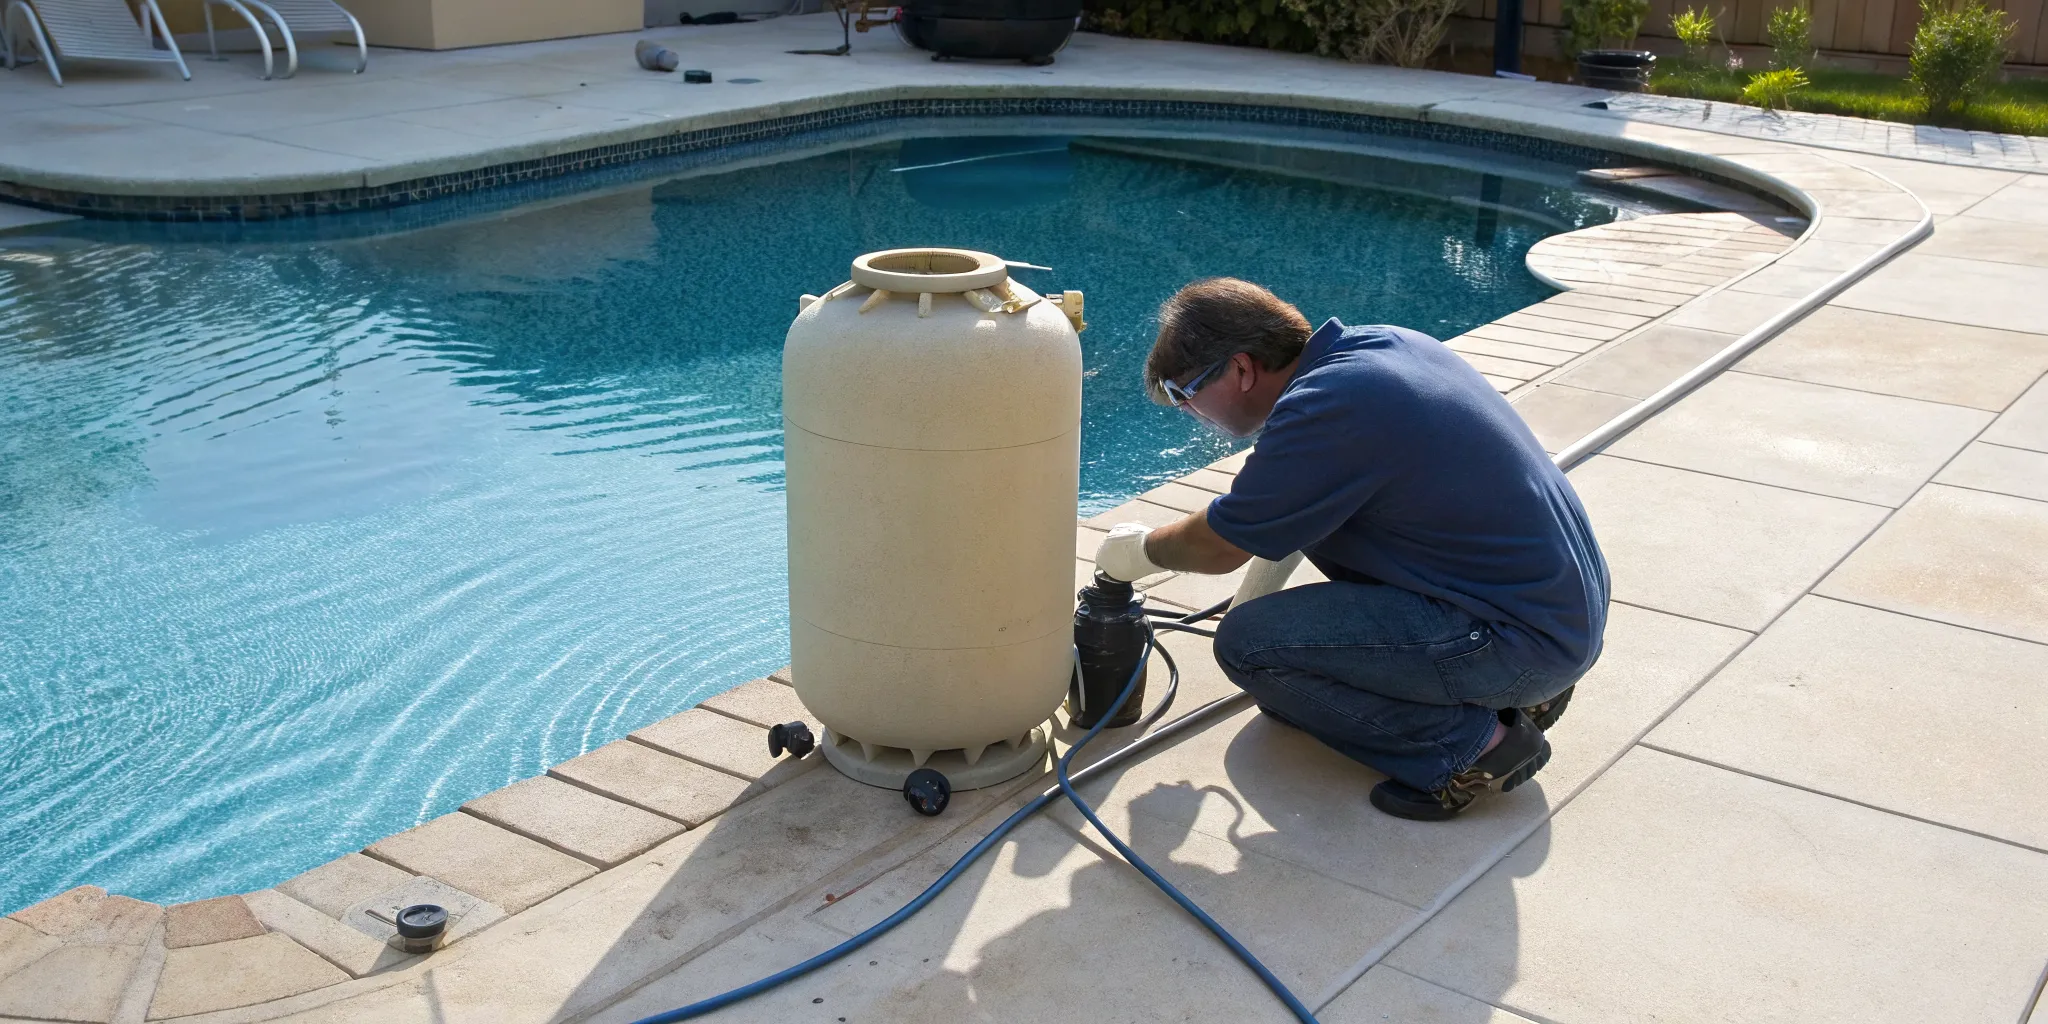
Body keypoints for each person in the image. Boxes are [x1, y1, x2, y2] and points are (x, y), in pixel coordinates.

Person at [1093, 278, 1609, 821]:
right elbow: (1280, 512)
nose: (1187, 411)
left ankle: (1471, 749)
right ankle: (1519, 696)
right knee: (1288, 670)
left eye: (1186, 393)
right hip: (1558, 613)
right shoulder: (1384, 347)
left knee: (1249, 647)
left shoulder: (1327, 409)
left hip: (1519, 642)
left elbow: (1219, 546)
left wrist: (1136, 552)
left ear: (1241, 368)